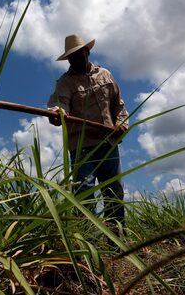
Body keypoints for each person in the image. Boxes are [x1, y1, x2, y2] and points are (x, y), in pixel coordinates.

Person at [47, 34, 129, 227]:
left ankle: (117, 236)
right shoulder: (65, 82)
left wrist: (121, 123)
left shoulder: (105, 75)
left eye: (79, 54)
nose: (75, 59)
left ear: (87, 52)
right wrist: (57, 112)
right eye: (71, 57)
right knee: (84, 192)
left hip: (108, 143)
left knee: (114, 190)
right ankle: (87, 239)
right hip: (82, 147)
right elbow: (59, 103)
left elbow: (118, 105)